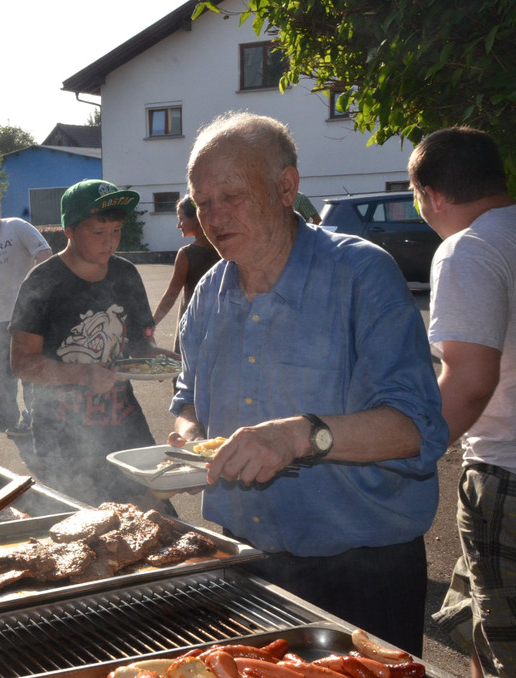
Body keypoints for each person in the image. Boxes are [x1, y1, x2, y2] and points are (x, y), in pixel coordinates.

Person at [167, 112, 448, 654]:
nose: (214, 217)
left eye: (232, 196)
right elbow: (187, 400)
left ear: (286, 187)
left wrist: (299, 435)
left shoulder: (361, 274)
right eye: (202, 202)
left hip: (364, 573)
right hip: (246, 563)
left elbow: (416, 426)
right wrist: (188, 439)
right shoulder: (207, 294)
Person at [410, 128, 516, 678]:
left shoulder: (468, 248)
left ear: (430, 195)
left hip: (505, 475)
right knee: (475, 620)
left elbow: (470, 383)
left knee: (504, 651)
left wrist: (403, 453)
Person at [10, 179, 178, 506]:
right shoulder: (43, 282)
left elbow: (139, 346)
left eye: (116, 231)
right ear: (69, 231)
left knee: (156, 512)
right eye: (98, 233)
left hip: (124, 423)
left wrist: (159, 359)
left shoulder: (126, 274)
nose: (110, 242)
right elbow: (22, 363)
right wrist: (83, 374)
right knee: (84, 521)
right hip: (62, 434)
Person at [0, 189, 51, 438]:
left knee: (28, 371)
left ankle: (33, 419)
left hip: (26, 316)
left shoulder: (16, 226)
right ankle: (6, 412)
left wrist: (34, 297)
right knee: (2, 371)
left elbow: (45, 256)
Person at [151, 195, 220, 356]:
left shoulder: (187, 254)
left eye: (181, 219)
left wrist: (151, 324)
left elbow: (171, 295)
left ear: (196, 219)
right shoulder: (225, 250)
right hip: (220, 326)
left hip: (192, 327)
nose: (178, 225)